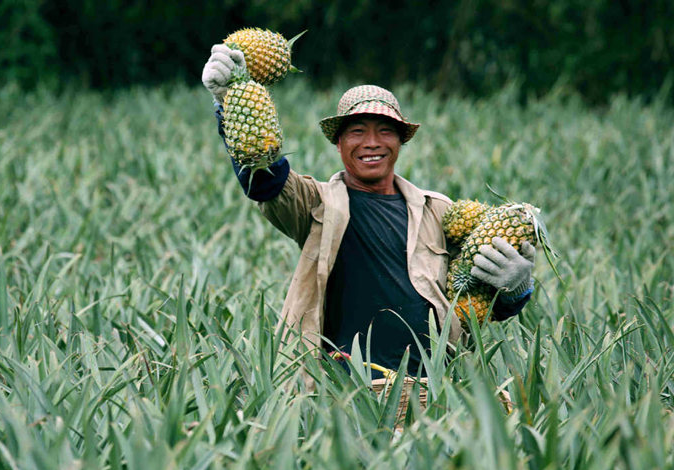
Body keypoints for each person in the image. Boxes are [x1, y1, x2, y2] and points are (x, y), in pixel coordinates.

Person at [201, 45, 536, 379]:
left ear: (400, 142)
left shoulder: (438, 211)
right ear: (339, 143)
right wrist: (229, 102)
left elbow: (476, 300)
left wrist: (516, 289)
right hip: (342, 390)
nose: (372, 142)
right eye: (357, 131)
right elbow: (265, 179)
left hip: (433, 389)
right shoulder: (315, 203)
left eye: (385, 131)